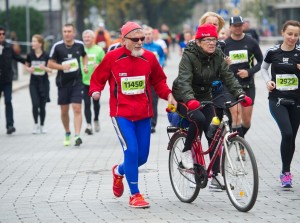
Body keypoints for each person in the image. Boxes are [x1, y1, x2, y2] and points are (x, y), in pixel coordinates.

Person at [89, 21, 177, 208]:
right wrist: (95, 91)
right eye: (135, 39)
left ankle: (119, 171)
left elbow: (159, 81)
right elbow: (98, 78)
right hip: (121, 114)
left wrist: (168, 95)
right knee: (132, 151)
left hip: (144, 114)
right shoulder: (112, 57)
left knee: (142, 157)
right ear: (123, 40)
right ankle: (135, 194)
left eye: (142, 39)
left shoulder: (150, 58)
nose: (139, 42)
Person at [172, 24, 251, 190]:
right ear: (199, 42)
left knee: (214, 132)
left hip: (205, 98)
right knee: (198, 119)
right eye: (207, 40)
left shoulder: (217, 55)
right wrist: (189, 100)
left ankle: (216, 175)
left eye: (214, 40)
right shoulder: (189, 55)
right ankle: (186, 152)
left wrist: (240, 94)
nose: (211, 43)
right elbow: (184, 81)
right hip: (183, 97)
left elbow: (228, 77)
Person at [261, 20, 300, 188]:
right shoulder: (272, 51)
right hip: (277, 100)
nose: (292, 38)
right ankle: (285, 173)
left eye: (296, 35)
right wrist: (268, 81)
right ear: (283, 32)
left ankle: (286, 171)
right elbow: (263, 68)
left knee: (292, 138)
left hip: (297, 100)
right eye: (289, 34)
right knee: (287, 133)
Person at [48, 23, 88, 146]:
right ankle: (67, 132)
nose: (67, 33)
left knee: (77, 108)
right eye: (65, 31)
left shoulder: (80, 45)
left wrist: (85, 65)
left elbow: (84, 56)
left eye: (69, 31)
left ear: (74, 33)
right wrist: (62, 66)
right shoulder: (57, 46)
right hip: (62, 83)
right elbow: (50, 63)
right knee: (64, 111)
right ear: (62, 33)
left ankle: (77, 135)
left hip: (77, 82)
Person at [224, 16, 263, 141]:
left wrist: (249, 72)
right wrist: (225, 63)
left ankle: (238, 137)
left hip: (248, 85)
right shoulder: (225, 44)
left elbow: (261, 62)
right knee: (236, 116)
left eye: (240, 25)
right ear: (230, 27)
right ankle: (240, 145)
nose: (237, 28)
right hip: (231, 85)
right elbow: (218, 65)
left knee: (246, 122)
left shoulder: (251, 42)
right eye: (235, 25)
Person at [0, 26, 26, 134]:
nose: (1, 36)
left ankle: (10, 125)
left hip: (7, 80)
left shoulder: (8, 47)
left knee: (8, 101)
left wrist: (28, 62)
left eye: (3, 34)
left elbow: (18, 57)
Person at [25, 34, 52, 134]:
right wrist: (29, 69)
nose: (32, 43)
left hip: (44, 83)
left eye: (34, 41)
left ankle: (42, 125)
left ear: (40, 44)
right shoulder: (30, 55)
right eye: (32, 41)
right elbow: (26, 66)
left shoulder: (46, 55)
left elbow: (51, 70)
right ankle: (36, 124)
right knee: (35, 104)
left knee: (42, 106)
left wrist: (45, 68)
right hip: (33, 83)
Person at [81, 29, 105, 135]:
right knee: (86, 103)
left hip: (95, 82)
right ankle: (88, 125)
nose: (86, 39)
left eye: (88, 37)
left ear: (92, 38)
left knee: (96, 103)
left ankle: (96, 119)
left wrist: (98, 66)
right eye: (85, 37)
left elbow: (105, 65)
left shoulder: (99, 50)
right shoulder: (80, 50)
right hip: (83, 81)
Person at [143, 26, 166, 133]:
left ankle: (152, 124)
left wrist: (160, 64)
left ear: (153, 35)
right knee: (143, 101)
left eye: (149, 34)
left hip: (154, 78)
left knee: (153, 101)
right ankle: (144, 121)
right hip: (143, 78)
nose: (147, 36)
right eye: (145, 34)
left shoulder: (157, 47)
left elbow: (162, 56)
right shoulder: (140, 47)